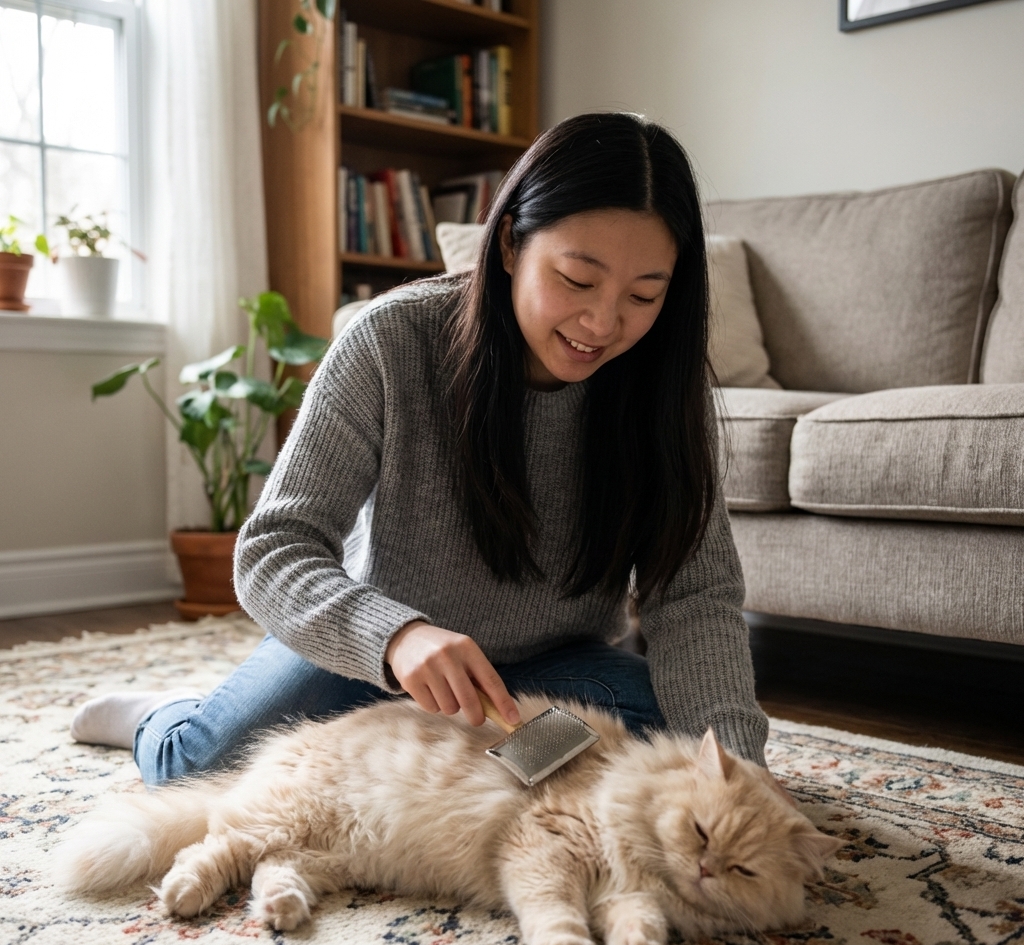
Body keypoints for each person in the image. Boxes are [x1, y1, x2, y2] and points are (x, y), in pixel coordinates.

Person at [71, 112, 770, 786]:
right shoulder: (391, 342)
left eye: (645, 295)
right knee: (203, 767)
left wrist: (737, 770)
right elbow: (273, 548)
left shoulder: (663, 389)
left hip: (554, 667)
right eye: (577, 280)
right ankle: (166, 716)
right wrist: (396, 637)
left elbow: (696, 597)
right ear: (509, 246)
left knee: (674, 741)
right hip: (380, 652)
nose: (603, 322)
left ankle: (461, 765)